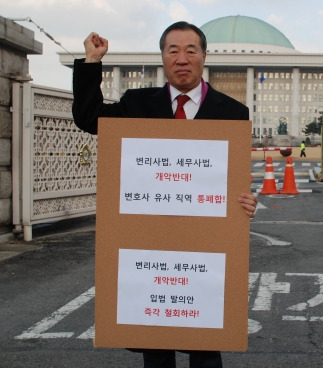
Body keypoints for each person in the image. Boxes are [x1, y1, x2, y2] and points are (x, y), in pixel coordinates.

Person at [72, 21, 258, 368]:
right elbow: (88, 118)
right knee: (156, 345)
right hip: (150, 239)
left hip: (206, 245)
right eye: (173, 50)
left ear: (204, 56)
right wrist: (92, 62)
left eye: (191, 50)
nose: (182, 58)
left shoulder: (233, 114)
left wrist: (245, 203)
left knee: (206, 343)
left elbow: (235, 183)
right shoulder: (137, 103)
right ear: (163, 57)